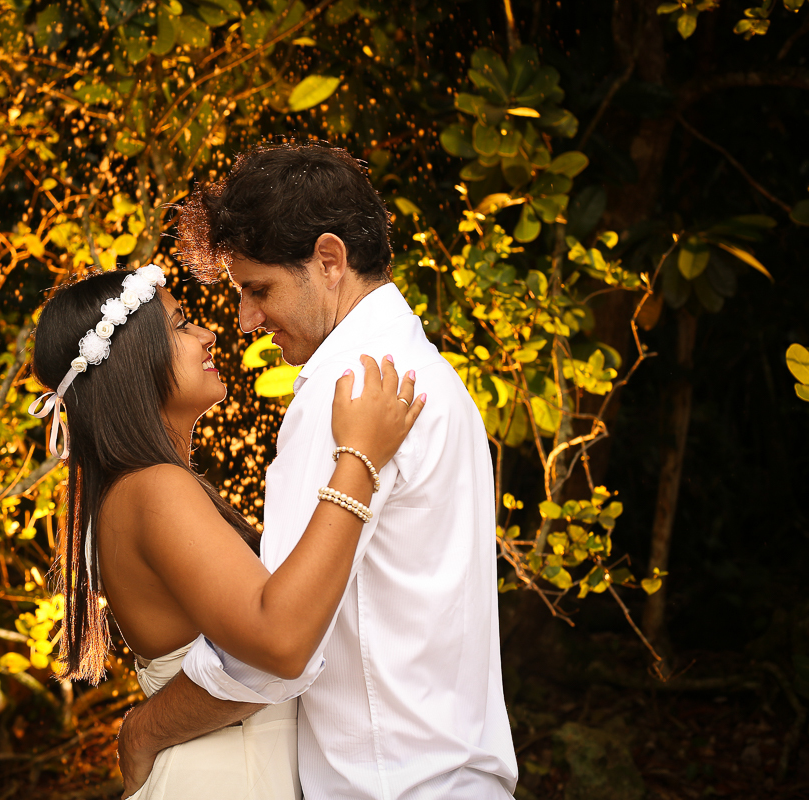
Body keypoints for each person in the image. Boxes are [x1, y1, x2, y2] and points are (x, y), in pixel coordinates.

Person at [116, 142, 519, 799]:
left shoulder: (344, 389)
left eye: (258, 289)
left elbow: (273, 648)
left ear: (329, 260)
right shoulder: (432, 376)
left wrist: (144, 729)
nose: (246, 321)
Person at [29, 263, 426, 799]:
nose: (207, 332)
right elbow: (280, 644)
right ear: (132, 362)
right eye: (180, 323)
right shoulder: (154, 489)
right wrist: (358, 460)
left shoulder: (131, 492)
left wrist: (142, 731)